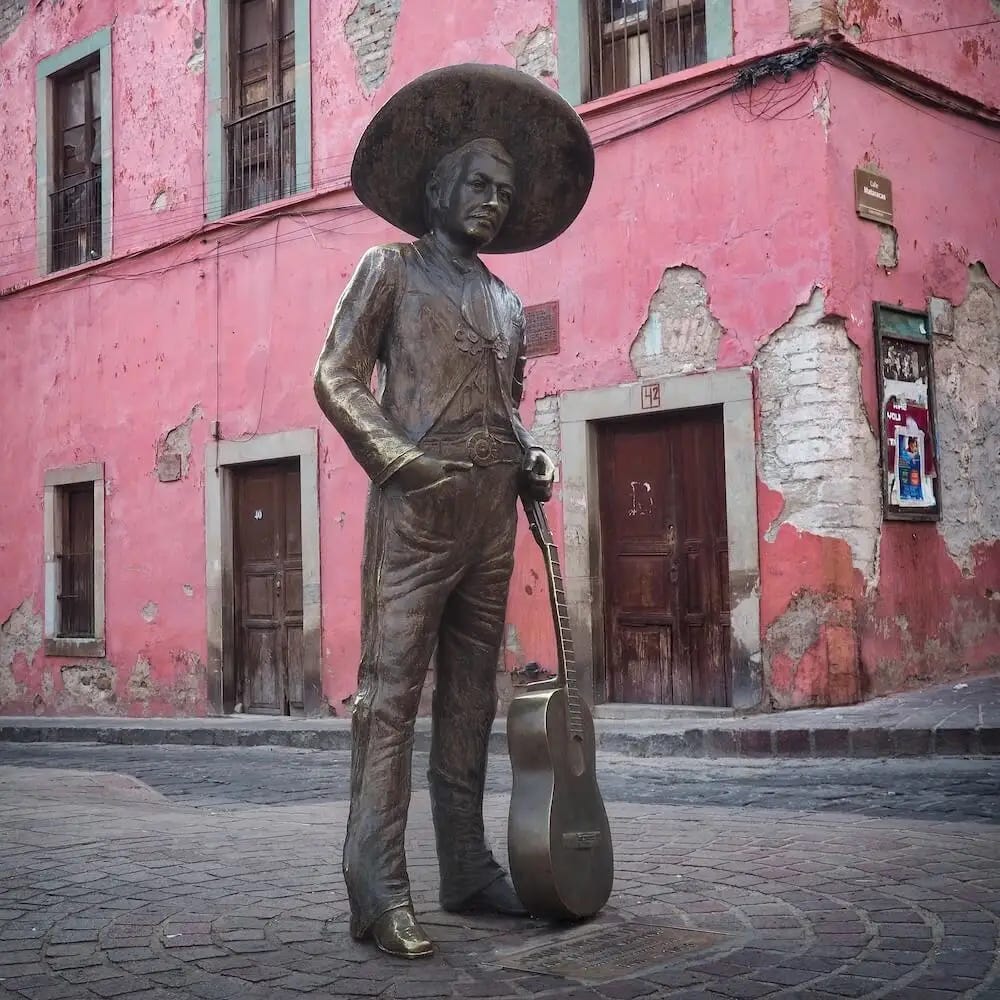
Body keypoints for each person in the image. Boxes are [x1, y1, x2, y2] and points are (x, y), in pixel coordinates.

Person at [313, 64, 594, 959]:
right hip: (416, 516)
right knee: (389, 702)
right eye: (478, 185)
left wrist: (531, 456)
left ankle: (467, 867)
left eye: (505, 195)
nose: (493, 204)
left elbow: (505, 405)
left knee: (472, 702)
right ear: (438, 188)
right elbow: (335, 376)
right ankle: (376, 887)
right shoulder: (388, 269)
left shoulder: (509, 302)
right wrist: (395, 456)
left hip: (490, 521)